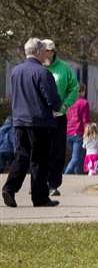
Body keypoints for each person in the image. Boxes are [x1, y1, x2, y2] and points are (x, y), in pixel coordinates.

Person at [3, 38, 62, 207]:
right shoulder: (42, 73)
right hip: (39, 122)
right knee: (39, 159)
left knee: (21, 156)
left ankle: (9, 188)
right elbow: (51, 98)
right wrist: (57, 106)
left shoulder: (15, 71)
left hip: (19, 121)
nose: (45, 54)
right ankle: (39, 197)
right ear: (37, 52)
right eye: (43, 50)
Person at [39, 40, 78, 194]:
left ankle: (53, 184)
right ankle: (39, 182)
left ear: (53, 51)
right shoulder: (37, 67)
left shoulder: (64, 69)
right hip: (40, 116)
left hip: (58, 116)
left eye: (48, 51)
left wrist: (64, 106)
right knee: (41, 151)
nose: (46, 53)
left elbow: (73, 88)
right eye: (43, 51)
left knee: (57, 151)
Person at [65, 94, 90, 175]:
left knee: (80, 158)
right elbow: (85, 120)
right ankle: (65, 174)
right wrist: (88, 132)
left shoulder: (68, 102)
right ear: (82, 91)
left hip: (68, 133)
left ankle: (78, 176)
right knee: (76, 158)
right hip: (78, 133)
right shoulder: (84, 103)